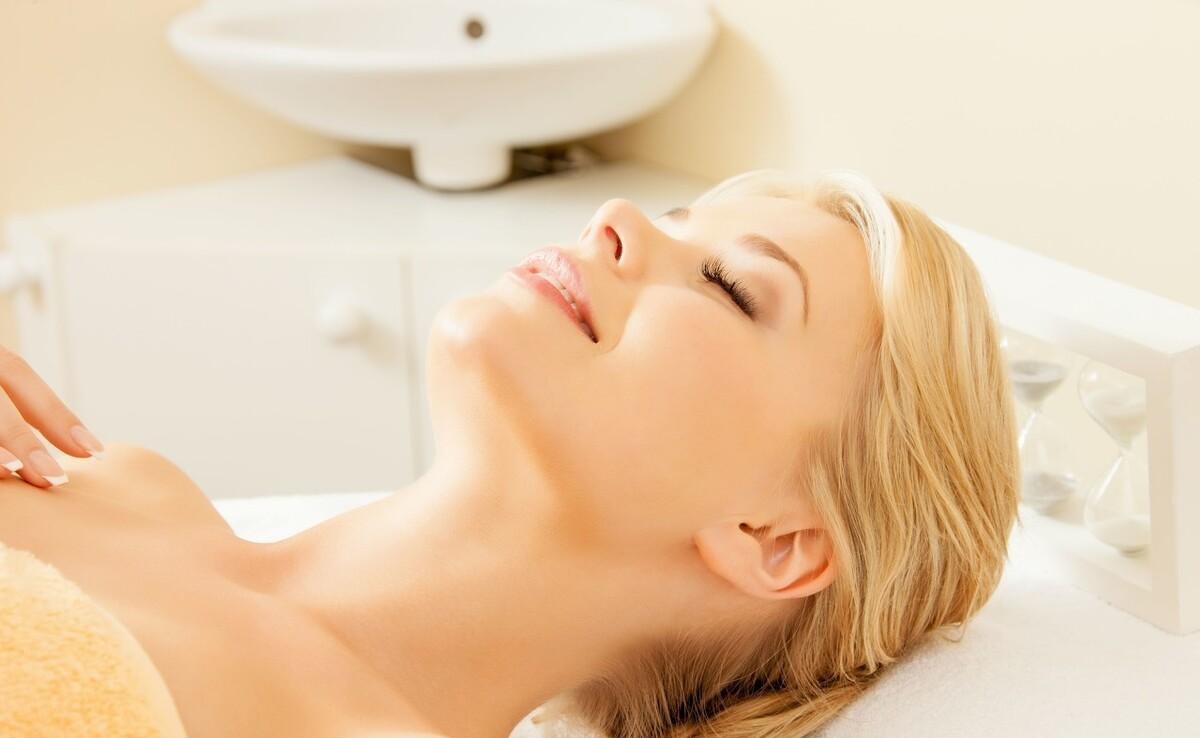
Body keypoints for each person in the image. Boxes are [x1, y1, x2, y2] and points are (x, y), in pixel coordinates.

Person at [0, 168, 1019, 738]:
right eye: (673, 219)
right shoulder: (113, 483)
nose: (615, 219)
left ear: (774, 537)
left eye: (729, 286)